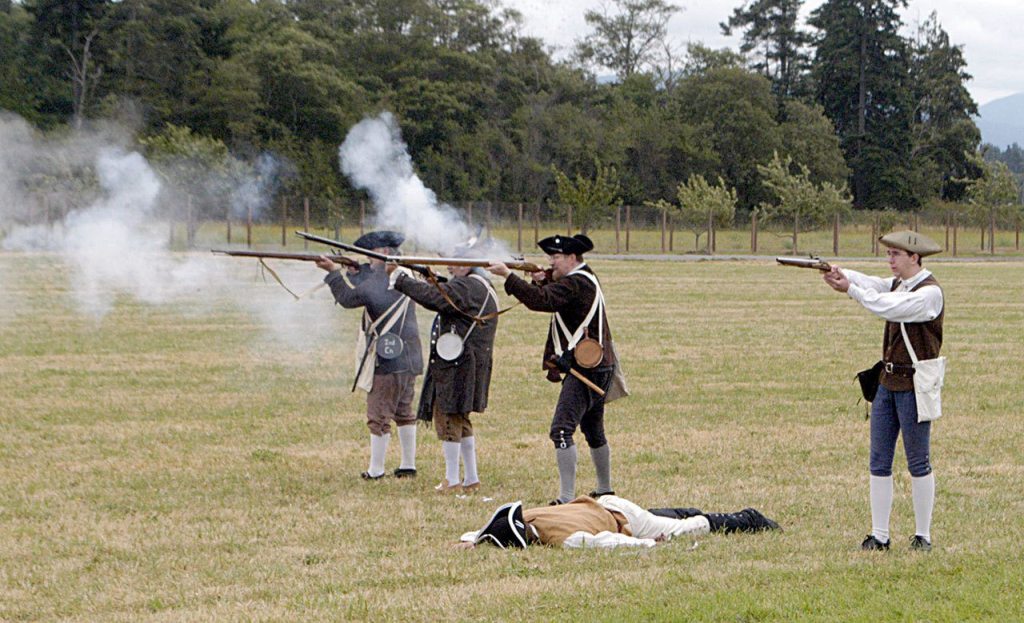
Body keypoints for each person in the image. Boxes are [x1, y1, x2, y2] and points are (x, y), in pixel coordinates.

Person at [822, 230, 944, 552]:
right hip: (888, 384)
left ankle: (923, 536)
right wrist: (842, 275)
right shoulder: (900, 284)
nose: (889, 260)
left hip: (914, 386)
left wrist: (850, 289)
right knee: (879, 461)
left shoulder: (929, 294)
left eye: (895, 255)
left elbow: (888, 306)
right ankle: (879, 535)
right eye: (889, 254)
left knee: (918, 462)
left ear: (914, 257)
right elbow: (873, 284)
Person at [487, 233, 626, 505]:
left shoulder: (576, 282)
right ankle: (605, 489)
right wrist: (544, 279)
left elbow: (543, 301)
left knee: (561, 430)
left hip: (585, 368)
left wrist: (508, 276)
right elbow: (555, 294)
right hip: (595, 365)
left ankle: (565, 498)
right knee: (592, 428)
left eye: (556, 257)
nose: (551, 262)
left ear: (572, 258)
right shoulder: (583, 278)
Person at [387, 247, 499, 494]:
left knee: (447, 419)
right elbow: (447, 295)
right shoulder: (478, 284)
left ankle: (452, 480)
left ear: (467, 264)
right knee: (461, 420)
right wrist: (433, 281)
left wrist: (400, 278)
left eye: (454, 263)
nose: (450, 267)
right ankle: (471, 478)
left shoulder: (466, 286)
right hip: (467, 363)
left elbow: (435, 299)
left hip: (457, 365)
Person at [315, 231, 423, 481]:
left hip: (388, 359)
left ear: (382, 253)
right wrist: (353, 271)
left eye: (369, 254)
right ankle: (408, 464)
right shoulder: (404, 274)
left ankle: (376, 470)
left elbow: (349, 298)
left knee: (378, 415)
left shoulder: (380, 280)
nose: (366, 258)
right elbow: (373, 284)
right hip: (409, 356)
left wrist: (333, 273)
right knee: (404, 412)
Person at [459, 495, 780, 549]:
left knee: (680, 529)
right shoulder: (530, 514)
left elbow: (610, 543)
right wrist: (473, 539)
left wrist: (647, 546)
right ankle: (683, 510)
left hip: (622, 519)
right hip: (609, 503)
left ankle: (747, 519)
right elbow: (489, 529)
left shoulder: (562, 539)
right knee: (657, 518)